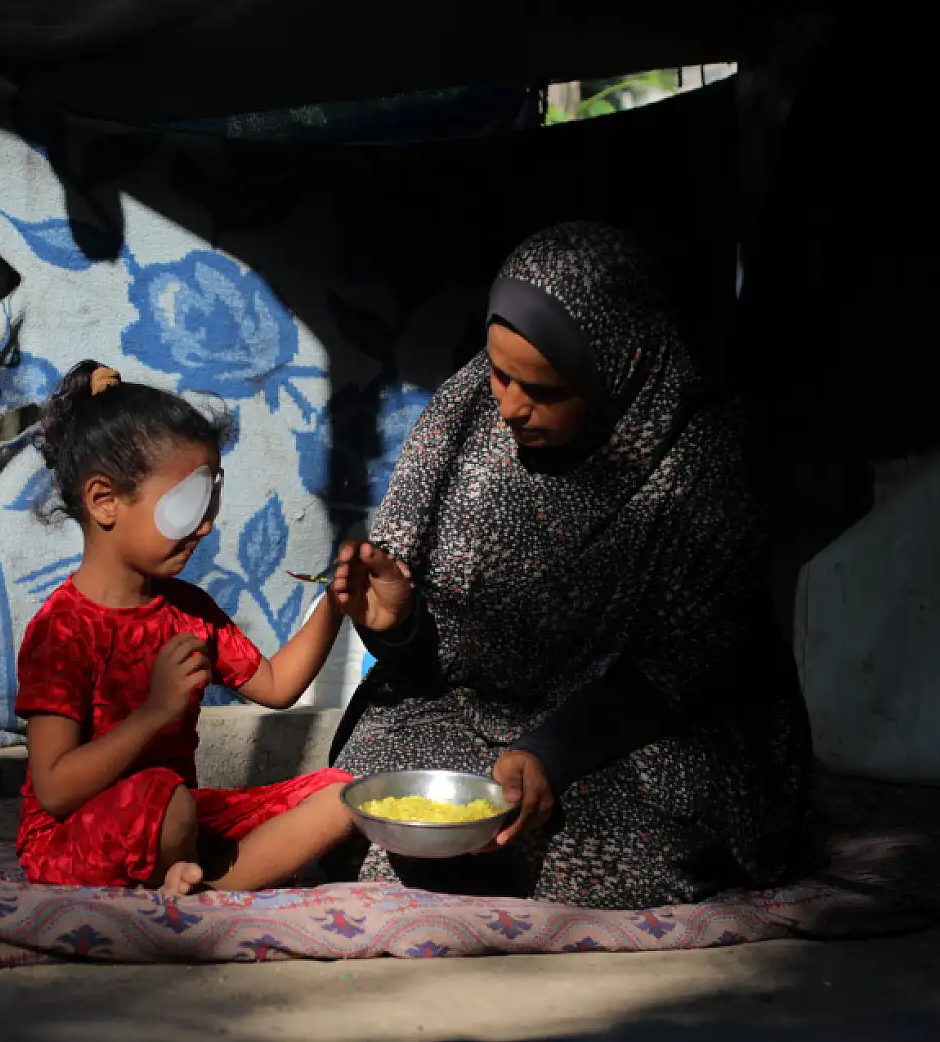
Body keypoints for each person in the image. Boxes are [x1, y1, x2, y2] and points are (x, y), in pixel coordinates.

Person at [327, 222, 815, 910]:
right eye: (500, 374)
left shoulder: (704, 461)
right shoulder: (462, 416)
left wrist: (556, 751)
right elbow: (422, 647)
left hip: (639, 731)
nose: (510, 407)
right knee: (362, 792)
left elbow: (685, 667)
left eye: (544, 389)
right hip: (473, 712)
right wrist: (399, 624)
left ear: (622, 366)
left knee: (652, 842)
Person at [15, 362, 354, 895]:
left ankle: (194, 886)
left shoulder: (189, 610)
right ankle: (186, 878)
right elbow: (55, 790)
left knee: (339, 796)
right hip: (73, 839)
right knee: (165, 801)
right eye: (188, 504)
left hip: (179, 822)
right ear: (104, 501)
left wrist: (337, 604)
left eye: (211, 501)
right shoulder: (61, 630)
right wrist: (155, 714)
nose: (206, 525)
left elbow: (277, 686)